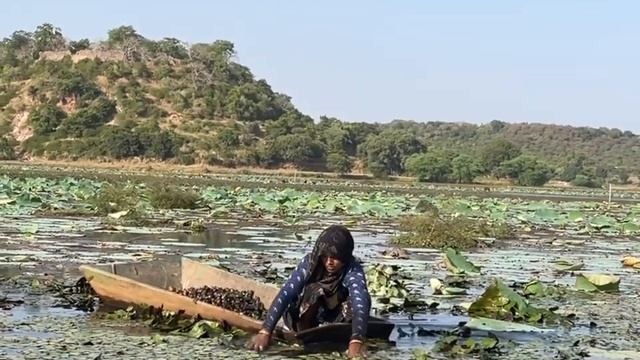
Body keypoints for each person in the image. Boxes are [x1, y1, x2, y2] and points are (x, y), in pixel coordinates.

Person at [248, 225, 371, 358]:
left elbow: (360, 301)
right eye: (325, 256)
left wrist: (357, 339)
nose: (329, 262)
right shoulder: (309, 263)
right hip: (304, 314)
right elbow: (287, 293)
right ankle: (306, 330)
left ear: (345, 257)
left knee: (363, 299)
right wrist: (266, 331)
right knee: (316, 291)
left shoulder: (352, 269)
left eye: (335, 258)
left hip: (335, 316)